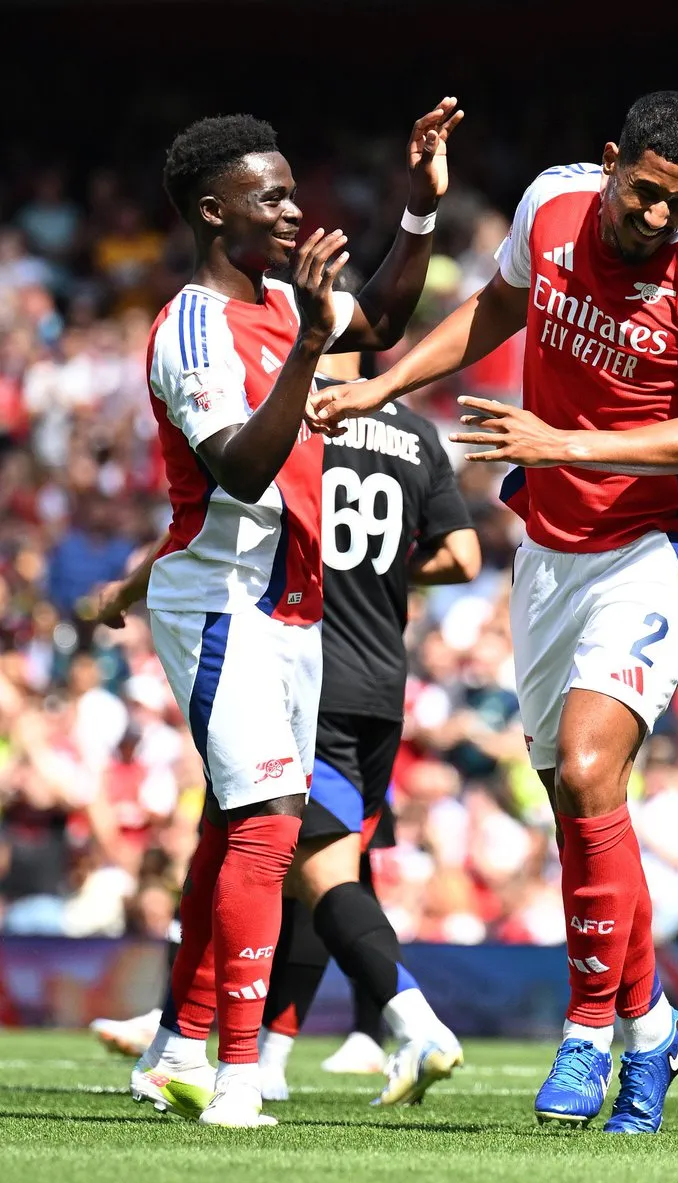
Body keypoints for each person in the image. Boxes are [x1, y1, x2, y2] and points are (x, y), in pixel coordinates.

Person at [309, 90, 678, 1133]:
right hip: (552, 544)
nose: (659, 219)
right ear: (611, 161)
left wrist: (563, 443)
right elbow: (494, 310)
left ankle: (587, 1034)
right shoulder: (553, 204)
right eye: (646, 194)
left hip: (662, 541)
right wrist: (384, 385)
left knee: (597, 767)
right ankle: (654, 1027)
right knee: (573, 799)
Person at [113, 97, 462, 1128]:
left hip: (294, 603)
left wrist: (420, 211)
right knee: (269, 823)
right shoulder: (194, 324)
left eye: (291, 190)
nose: (292, 209)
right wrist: (312, 346)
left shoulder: (278, 299)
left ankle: (177, 1049)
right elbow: (244, 467)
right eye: (269, 197)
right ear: (213, 211)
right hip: (220, 599)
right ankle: (236, 1077)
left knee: (238, 822)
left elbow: (387, 322)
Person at [257, 307, 481, 1107]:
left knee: (308, 869)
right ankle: (268, 1060)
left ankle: (414, 1023)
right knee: (310, 871)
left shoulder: (299, 416)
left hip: (304, 676)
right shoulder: (419, 435)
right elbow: (465, 555)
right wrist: (390, 579)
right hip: (383, 688)